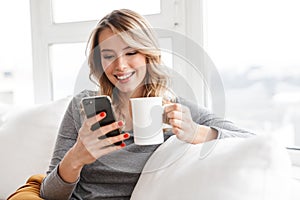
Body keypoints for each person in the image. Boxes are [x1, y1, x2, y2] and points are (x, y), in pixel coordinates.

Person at [8, 9, 254, 200]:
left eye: (130, 52)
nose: (120, 66)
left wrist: (196, 132)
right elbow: (49, 195)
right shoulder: (83, 106)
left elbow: (251, 140)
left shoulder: (172, 109)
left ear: (148, 54)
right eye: (108, 56)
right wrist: (76, 157)